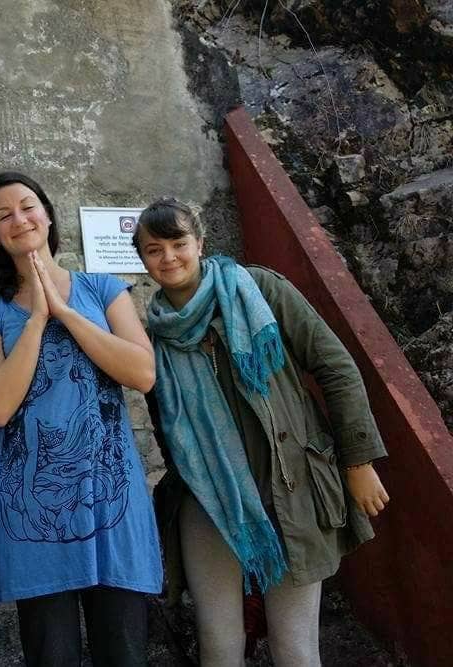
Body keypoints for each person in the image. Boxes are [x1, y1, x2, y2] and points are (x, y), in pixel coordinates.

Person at [135, 197, 391, 666]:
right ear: (143, 259)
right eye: (154, 249)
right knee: (219, 646)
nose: (169, 257)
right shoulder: (152, 335)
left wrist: (359, 461)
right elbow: (163, 422)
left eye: (178, 243)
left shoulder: (257, 289)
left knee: (294, 648)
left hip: (289, 490)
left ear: (200, 243)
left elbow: (335, 366)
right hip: (208, 502)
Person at [0, 172, 163, 667]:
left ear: (48, 216)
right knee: (52, 656)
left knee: (125, 654)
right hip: (34, 510)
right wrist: (35, 321)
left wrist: (66, 313)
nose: (19, 219)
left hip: (110, 499)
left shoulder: (102, 289)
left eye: (27, 207)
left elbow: (142, 372)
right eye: (3, 215)